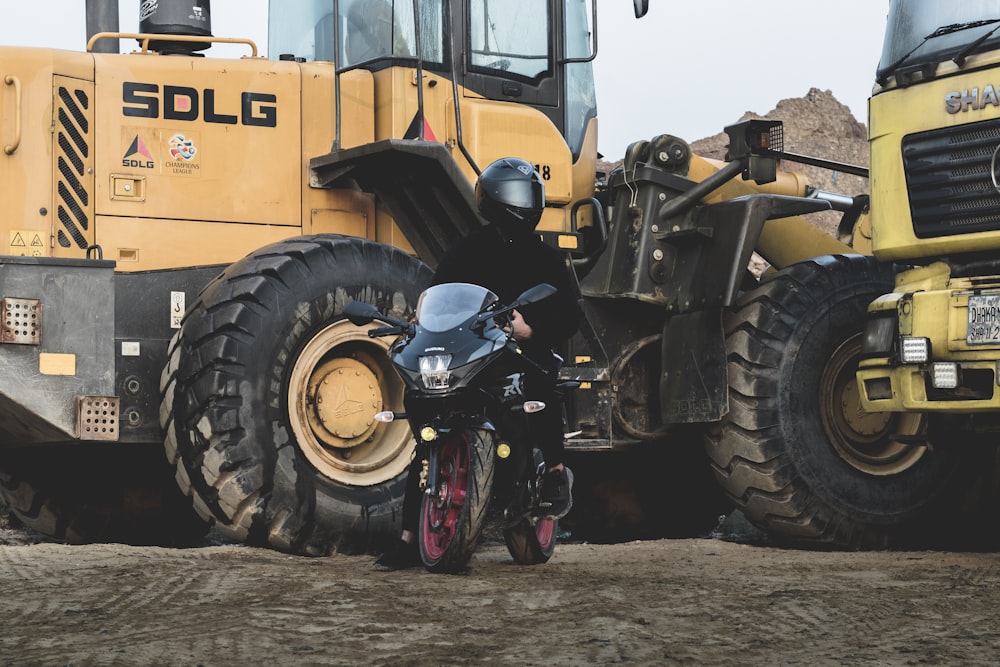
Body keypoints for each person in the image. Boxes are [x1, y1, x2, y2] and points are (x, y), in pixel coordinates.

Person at [374, 157, 583, 570]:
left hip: (521, 349)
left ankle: (556, 469)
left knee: (539, 386)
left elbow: (570, 312)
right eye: (516, 194)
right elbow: (438, 294)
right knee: (428, 431)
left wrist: (532, 329)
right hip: (473, 351)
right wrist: (423, 322)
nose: (523, 203)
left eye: (527, 193)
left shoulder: (546, 257)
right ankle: (408, 538)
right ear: (494, 199)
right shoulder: (468, 249)